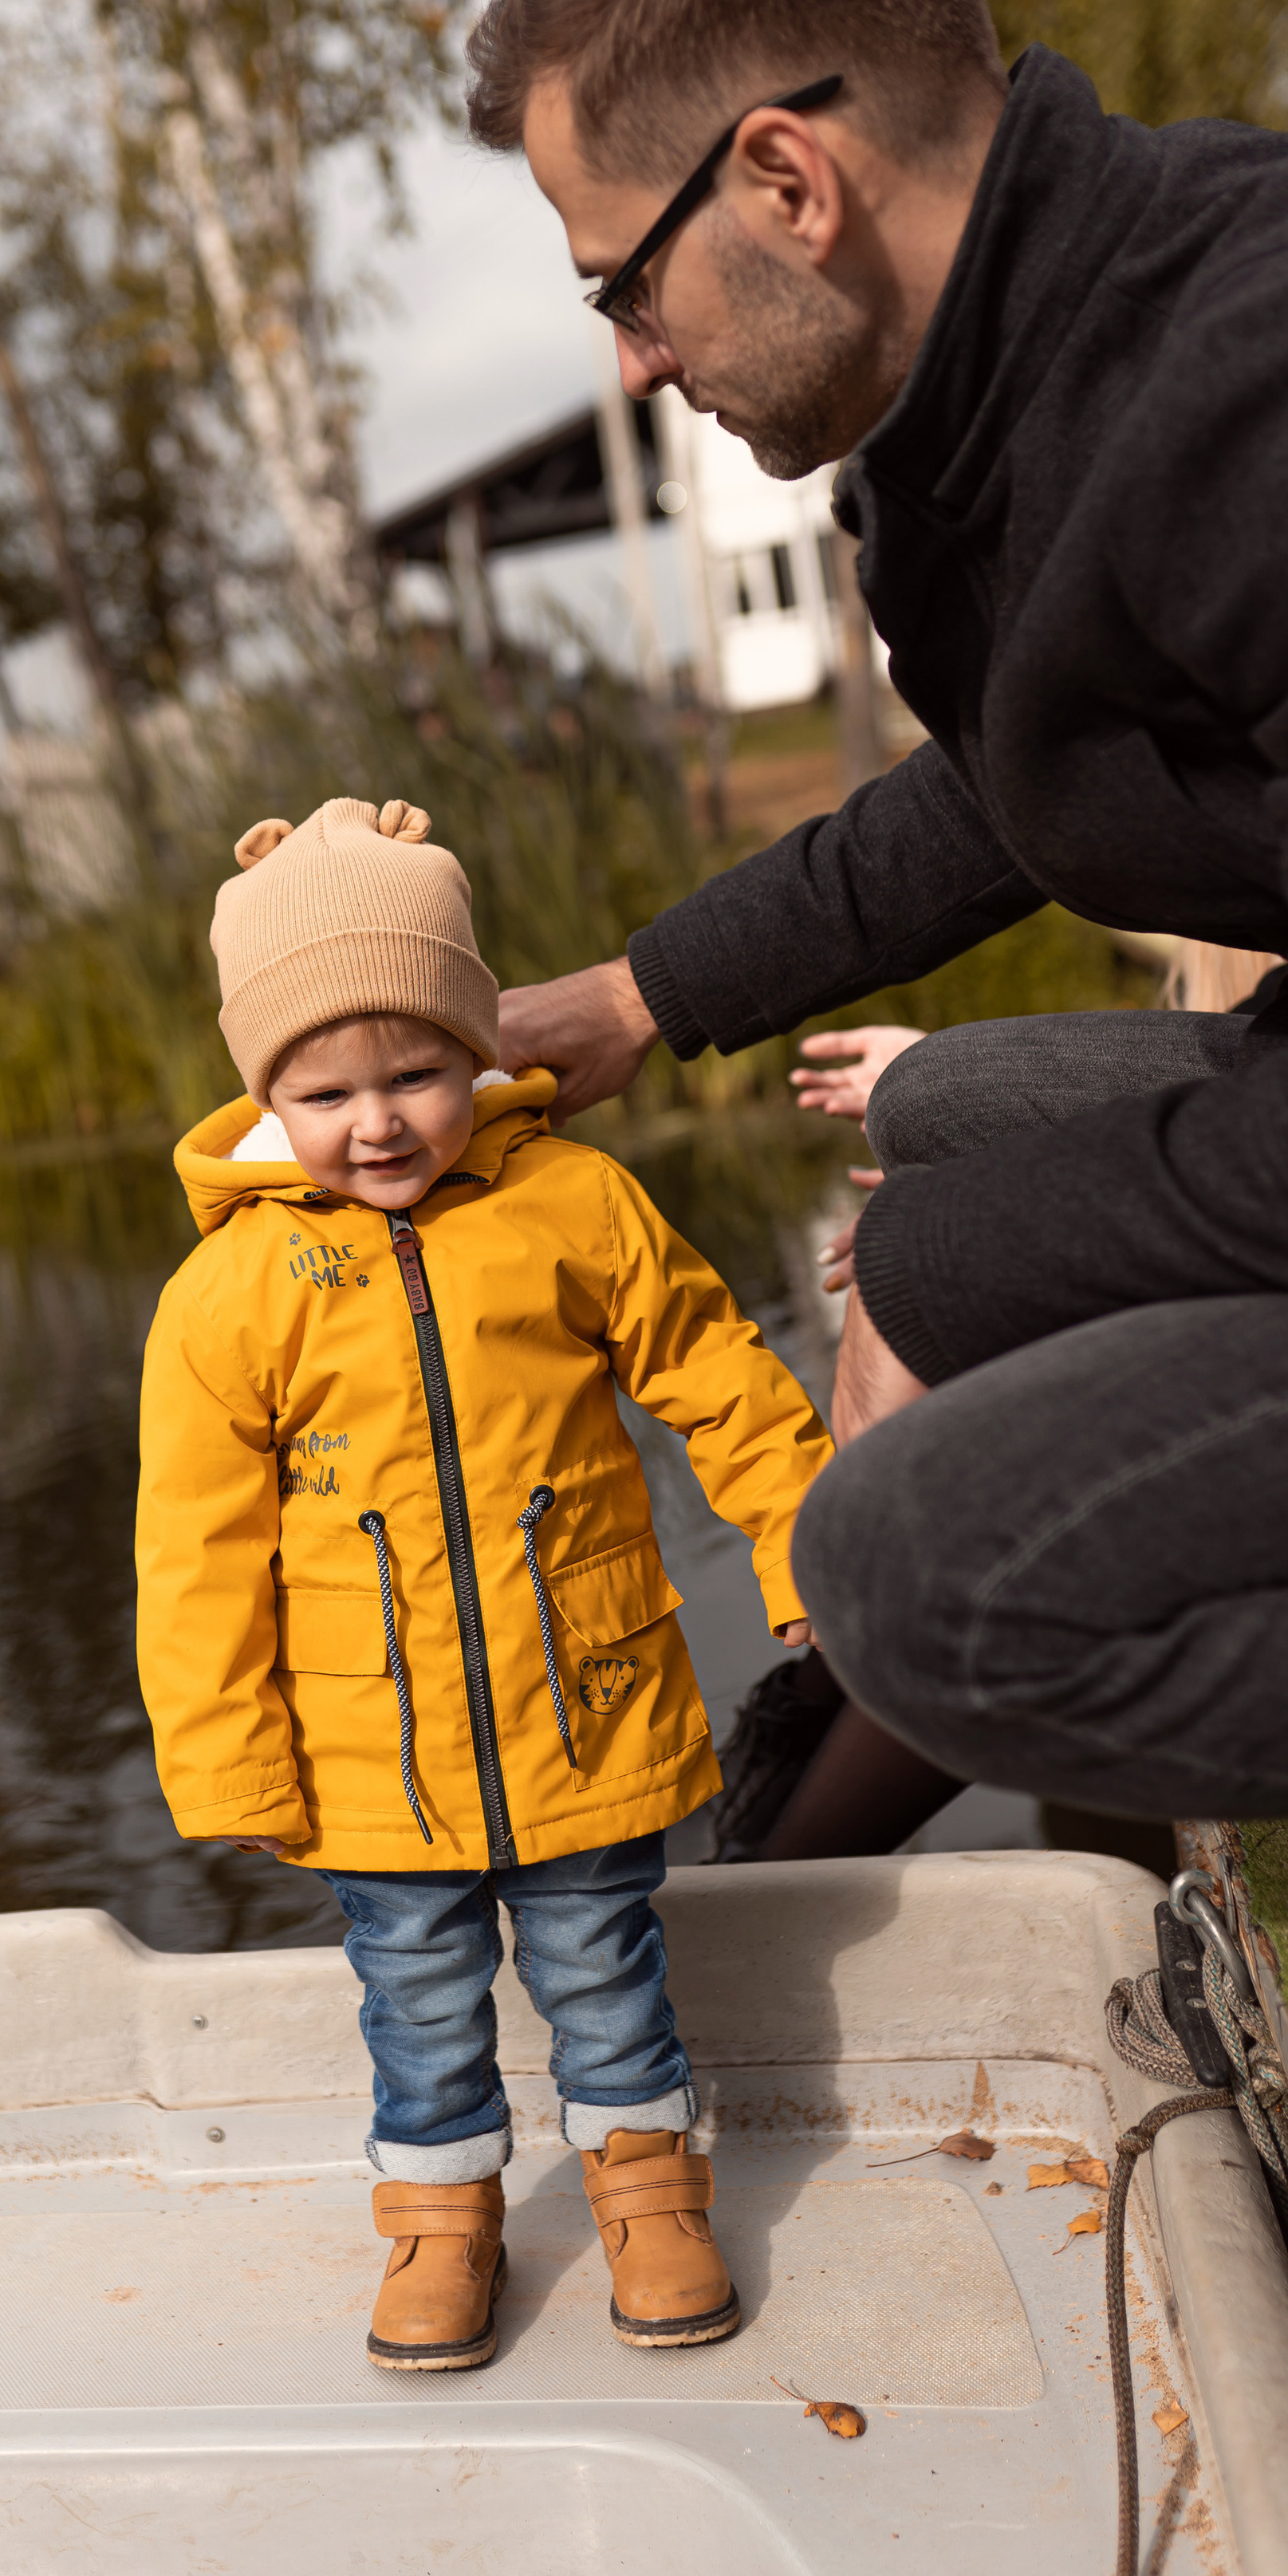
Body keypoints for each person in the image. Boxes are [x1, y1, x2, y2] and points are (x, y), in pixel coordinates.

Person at [466, 0, 1288, 1826]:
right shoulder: (1016, 386)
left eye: (619, 291)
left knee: (927, 1574)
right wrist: (640, 997)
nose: (637, 364)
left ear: (783, 179)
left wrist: (943, 1273)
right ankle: (795, 1882)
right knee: (941, 1126)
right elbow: (1036, 773)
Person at [136, 795, 829, 2372]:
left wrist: (802, 1547)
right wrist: (226, 1751)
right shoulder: (226, 1294)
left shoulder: (571, 1209)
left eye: (416, 1073)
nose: (375, 1121)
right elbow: (191, 1547)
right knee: (418, 1991)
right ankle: (439, 2220)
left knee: (602, 1966)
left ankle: (648, 2191)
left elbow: (718, 1378)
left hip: (578, 1708)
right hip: (371, 1750)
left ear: (480, 1049)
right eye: (324, 1093)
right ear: (263, 1095)